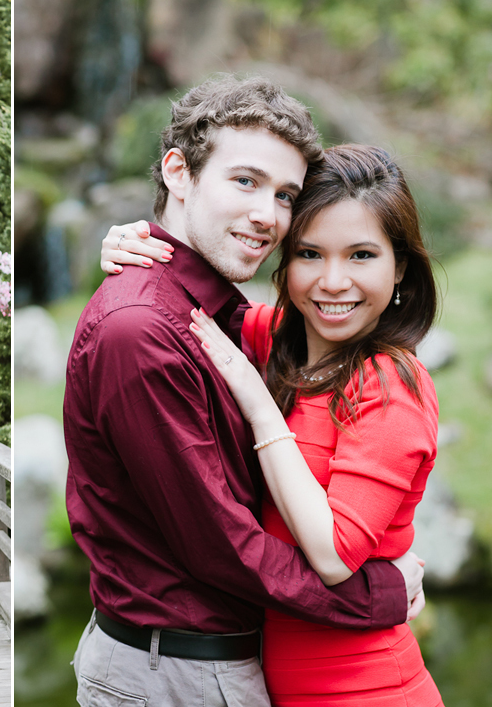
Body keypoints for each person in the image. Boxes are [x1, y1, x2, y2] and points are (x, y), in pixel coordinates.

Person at [64, 75, 425, 707]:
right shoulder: (145, 329)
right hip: (175, 673)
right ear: (179, 172)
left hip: (253, 669)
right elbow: (224, 550)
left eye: (285, 195)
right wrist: (385, 593)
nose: (268, 215)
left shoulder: (231, 324)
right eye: (246, 181)